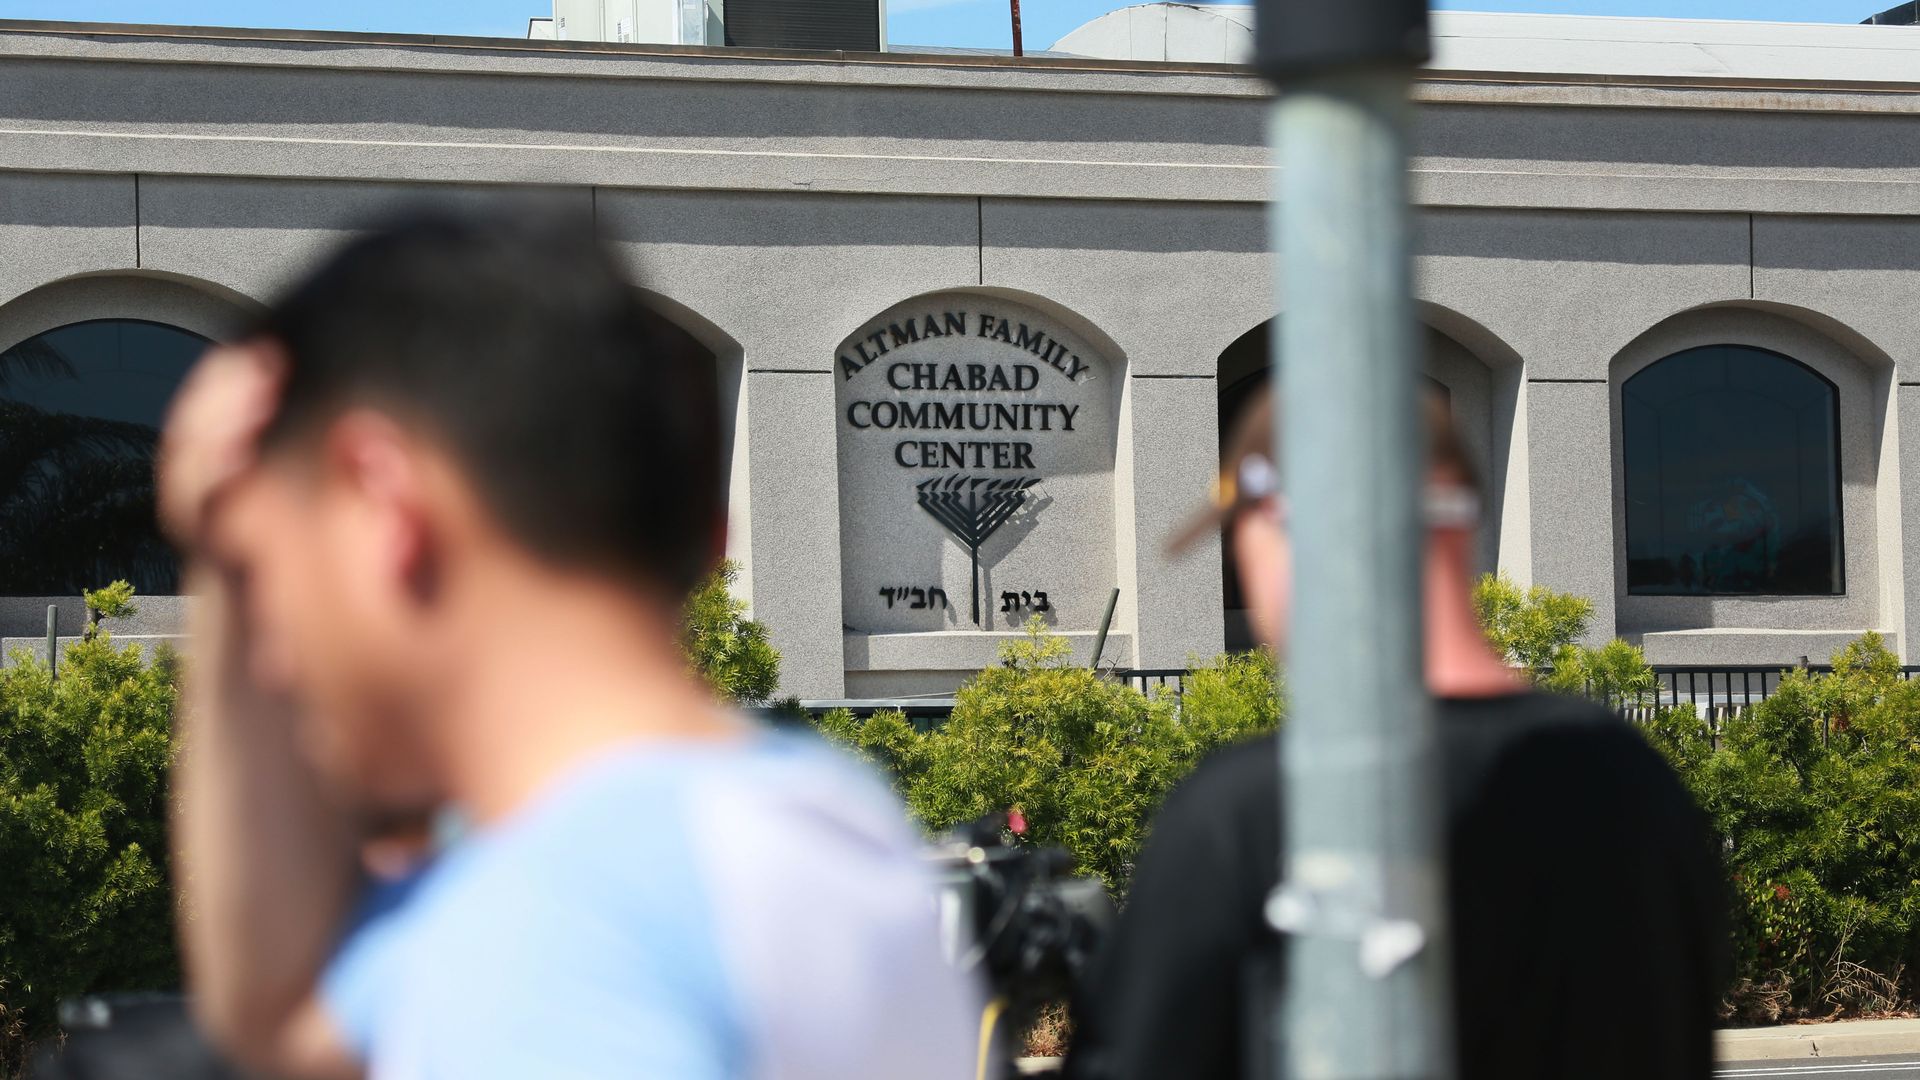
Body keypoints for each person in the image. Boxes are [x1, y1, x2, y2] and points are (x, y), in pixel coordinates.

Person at [162, 208, 978, 1080]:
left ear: (382, 505)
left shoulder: (557, 933)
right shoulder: (810, 822)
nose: (276, 661)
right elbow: (280, 1015)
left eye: (267, 570)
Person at [1066, 390, 1727, 1080]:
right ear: (1463, 519)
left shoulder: (1248, 815)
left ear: (1294, 518)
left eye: (1244, 537)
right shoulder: (1634, 783)